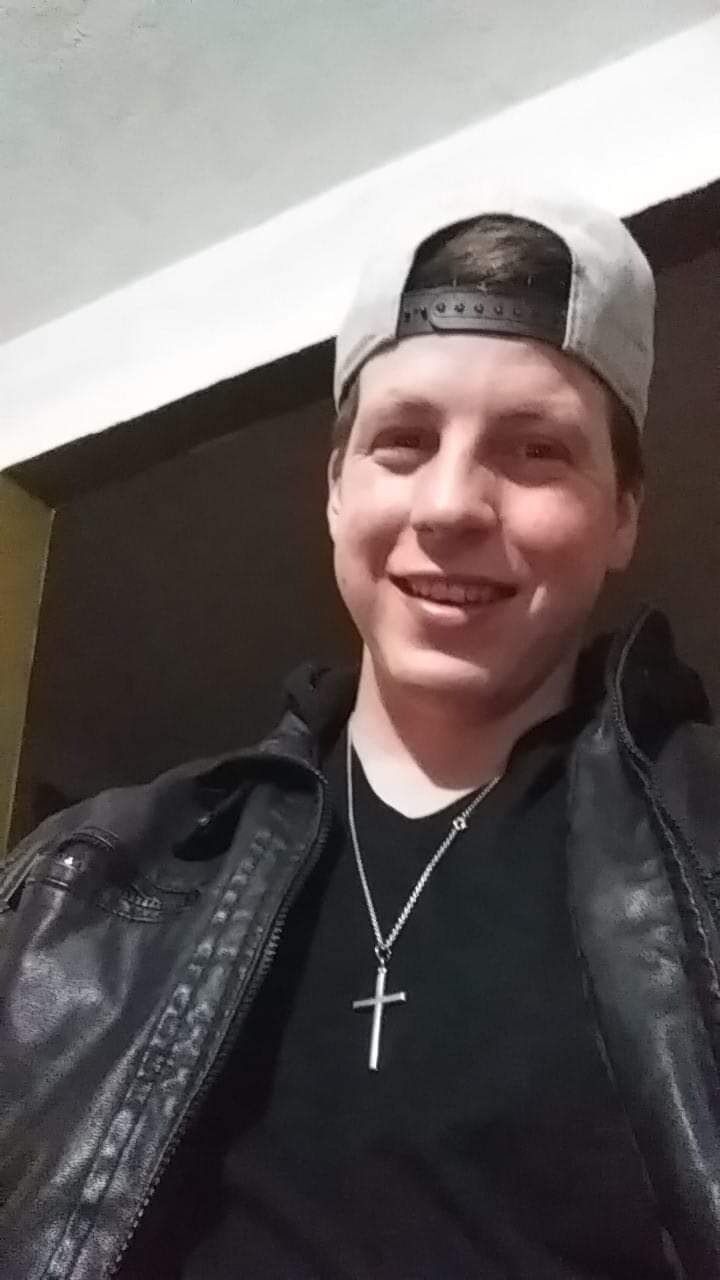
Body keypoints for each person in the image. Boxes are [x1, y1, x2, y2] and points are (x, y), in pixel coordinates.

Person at [1, 181, 719, 1280]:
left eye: (535, 449)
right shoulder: (87, 882)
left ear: (623, 511)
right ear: (337, 489)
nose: (450, 505)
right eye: (403, 441)